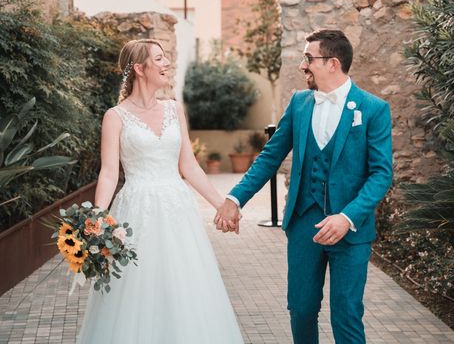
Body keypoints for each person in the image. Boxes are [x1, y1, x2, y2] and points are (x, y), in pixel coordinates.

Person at [215, 29, 393, 344]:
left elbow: (380, 174)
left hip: (350, 231)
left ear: (333, 63)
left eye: (308, 58)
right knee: (301, 309)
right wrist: (234, 198)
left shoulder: (373, 109)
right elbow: (269, 158)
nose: (302, 65)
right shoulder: (299, 103)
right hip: (303, 226)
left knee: (347, 315)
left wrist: (347, 217)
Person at [76, 39, 243, 344]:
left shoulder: (173, 109)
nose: (167, 64)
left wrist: (222, 205)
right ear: (140, 69)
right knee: (138, 289)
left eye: (166, 58)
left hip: (177, 209)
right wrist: (97, 219)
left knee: (184, 284)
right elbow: (110, 172)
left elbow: (189, 166)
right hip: (135, 211)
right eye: (160, 59)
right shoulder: (115, 117)